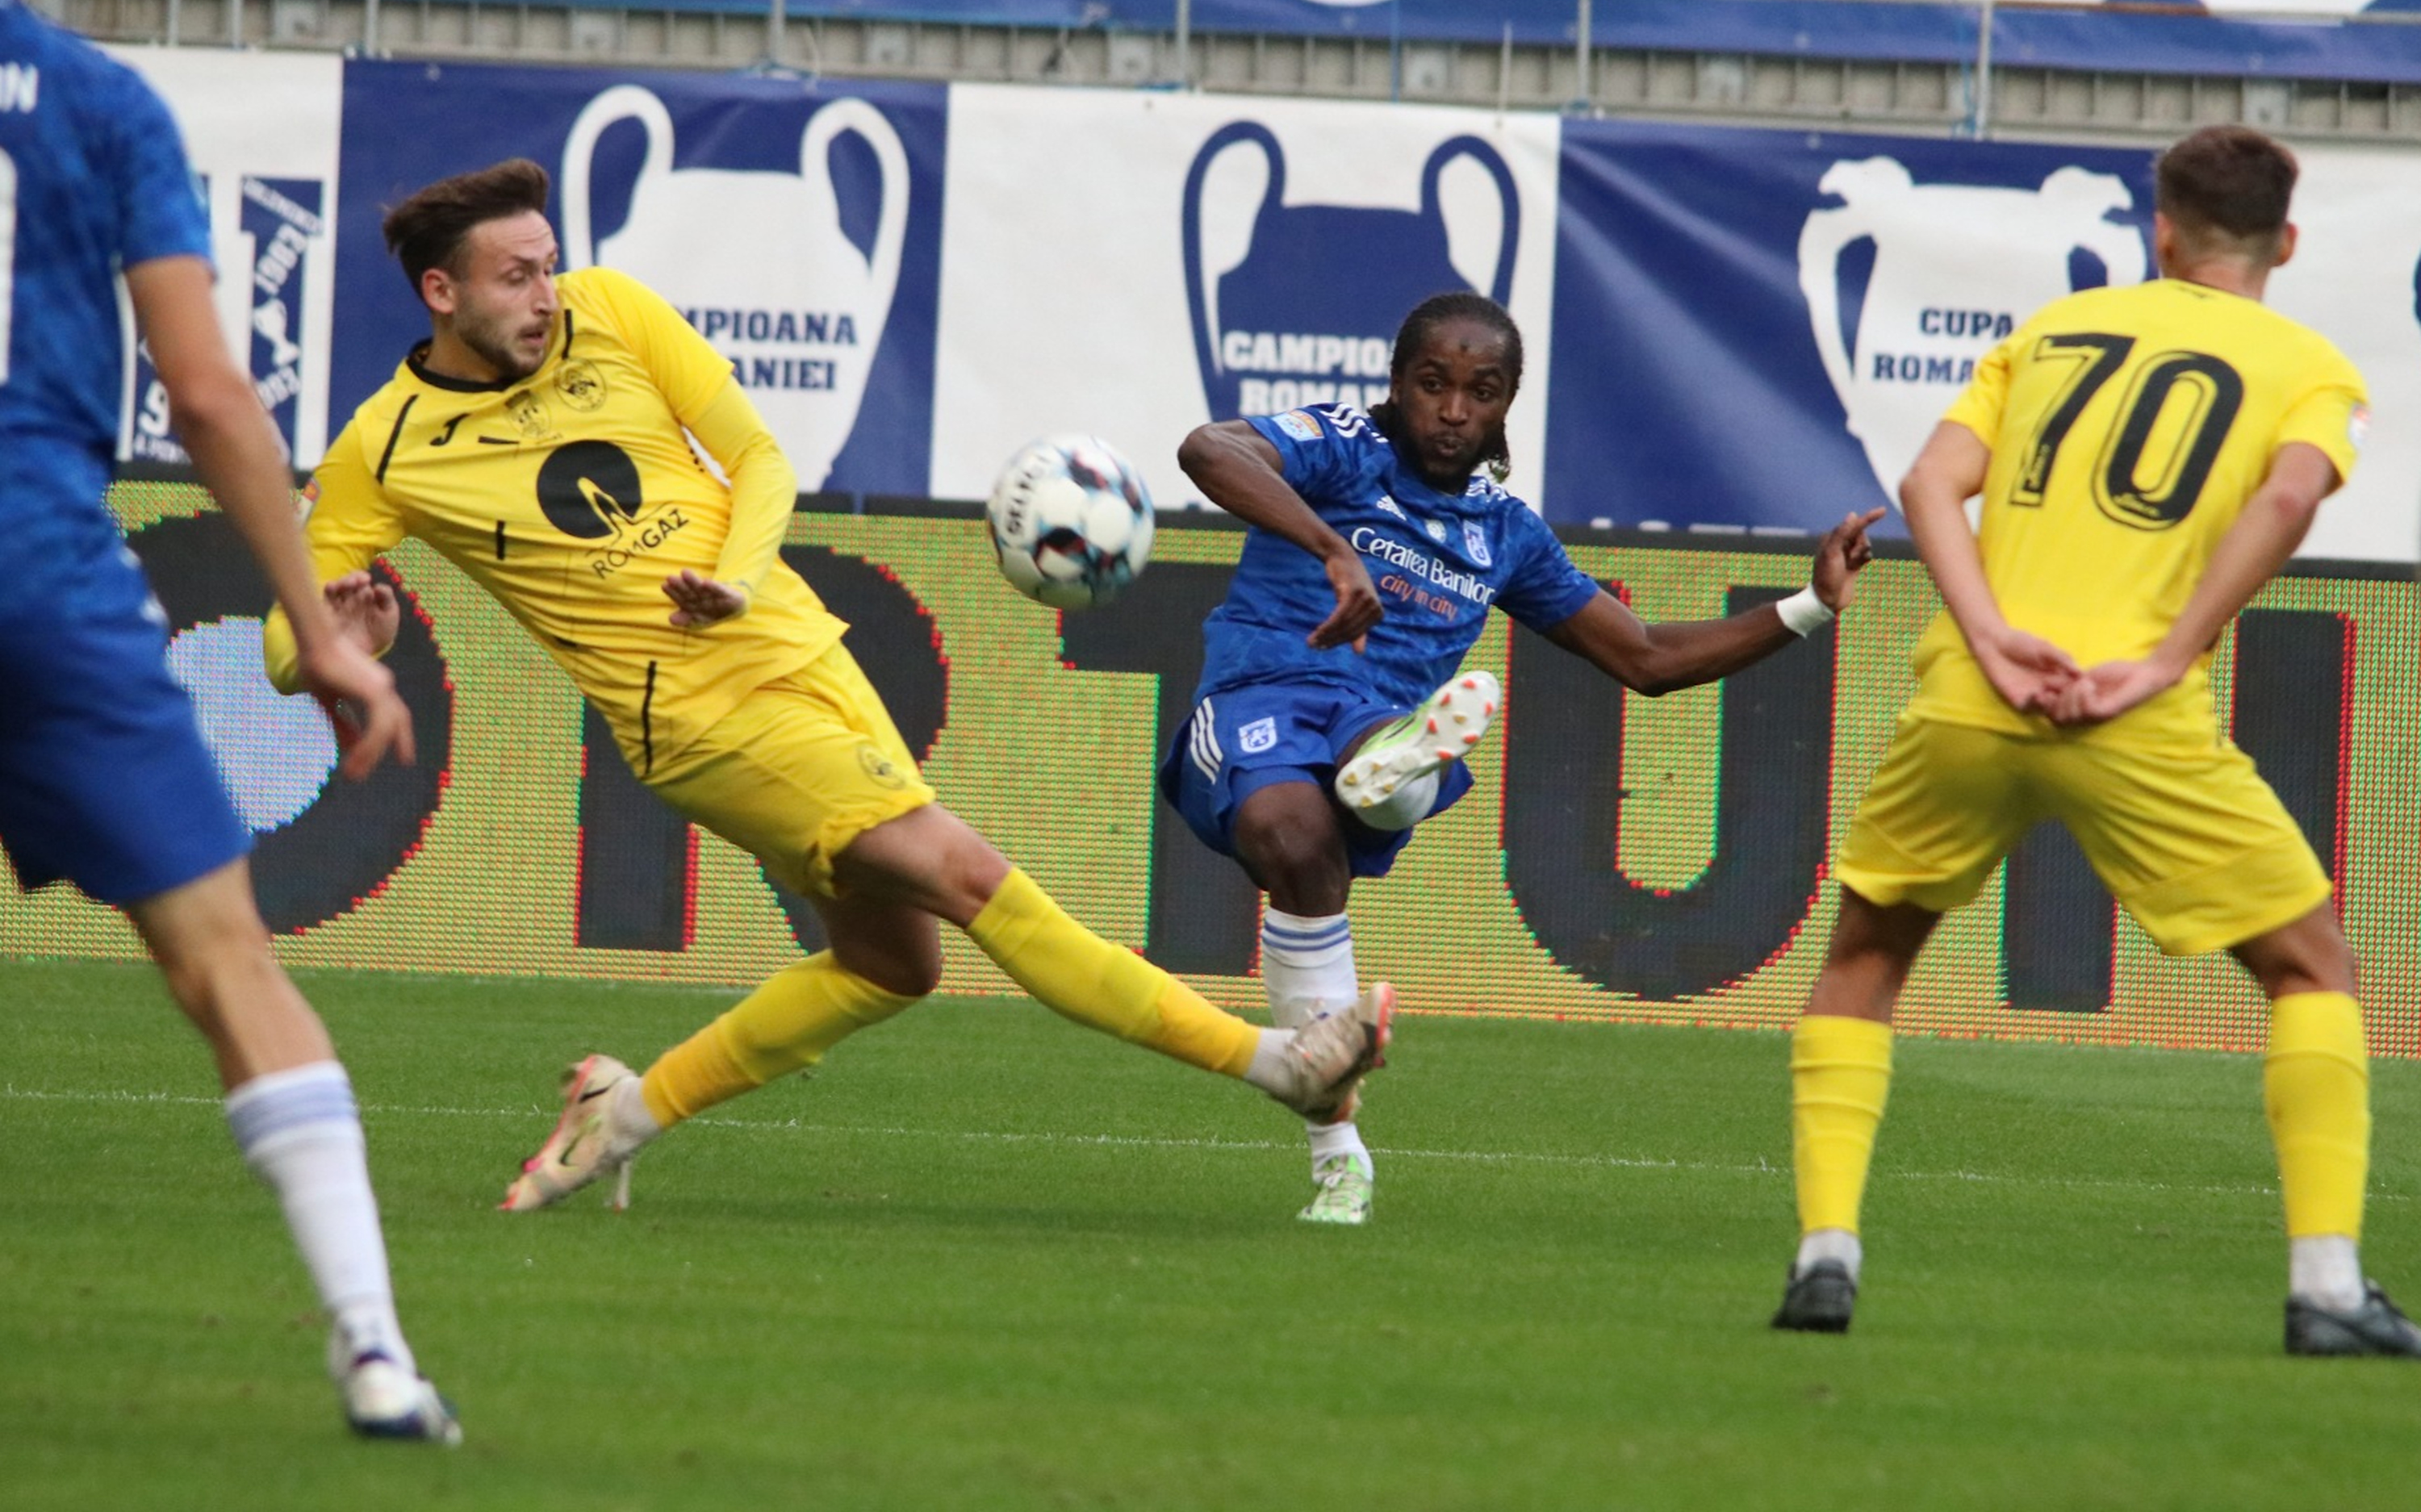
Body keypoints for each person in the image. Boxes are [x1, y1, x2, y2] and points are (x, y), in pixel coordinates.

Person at [267, 159, 1395, 1217]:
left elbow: (757, 456)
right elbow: (286, 639)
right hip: (699, 720)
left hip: (805, 652)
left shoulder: (610, 307)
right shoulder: (388, 446)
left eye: (548, 263)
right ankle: (1276, 1063)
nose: (545, 293)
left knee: (891, 963)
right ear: (440, 289)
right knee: (966, 872)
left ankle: (625, 1112)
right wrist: (338, 639)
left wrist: (739, 578)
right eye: (515, 276)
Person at [1771, 125, 2418, 1357]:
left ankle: (1825, 1255)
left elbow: (1925, 486)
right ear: (2285, 241)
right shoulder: (2311, 368)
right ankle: (2328, 1288)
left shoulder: (2054, 330)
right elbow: (2289, 496)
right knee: (2311, 966)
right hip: (2134, 712)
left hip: (1973, 696)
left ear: (2159, 228)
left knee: (1866, 958)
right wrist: (2169, 655)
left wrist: (1996, 639)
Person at [0, 0, 458, 1443]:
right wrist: (322, 634)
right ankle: (374, 1352)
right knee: (225, 966)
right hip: (43, 579)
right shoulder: (104, 108)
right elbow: (207, 400)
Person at [1169, 291, 1883, 1225]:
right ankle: (1396, 792)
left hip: (1364, 719)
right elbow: (1209, 449)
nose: (1454, 411)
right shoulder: (1344, 446)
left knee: (1307, 828)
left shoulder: (1506, 534)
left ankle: (1391, 786)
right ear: (1396, 383)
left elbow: (1647, 660)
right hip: (1260, 694)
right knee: (1283, 826)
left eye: (1482, 391)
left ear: (1509, 403)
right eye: (1433, 385)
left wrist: (1811, 605)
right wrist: (1328, 545)